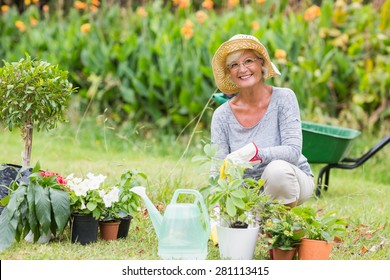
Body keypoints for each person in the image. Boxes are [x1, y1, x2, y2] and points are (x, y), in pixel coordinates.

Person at [210, 34, 314, 207]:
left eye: (248, 61)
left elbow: (293, 151)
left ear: (262, 63)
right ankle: (257, 217)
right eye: (234, 65)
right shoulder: (222, 116)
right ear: (229, 73)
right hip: (244, 191)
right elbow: (217, 168)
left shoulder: (284, 98)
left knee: (277, 171)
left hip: (290, 180)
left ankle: (279, 225)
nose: (242, 69)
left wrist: (255, 154)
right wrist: (215, 207)